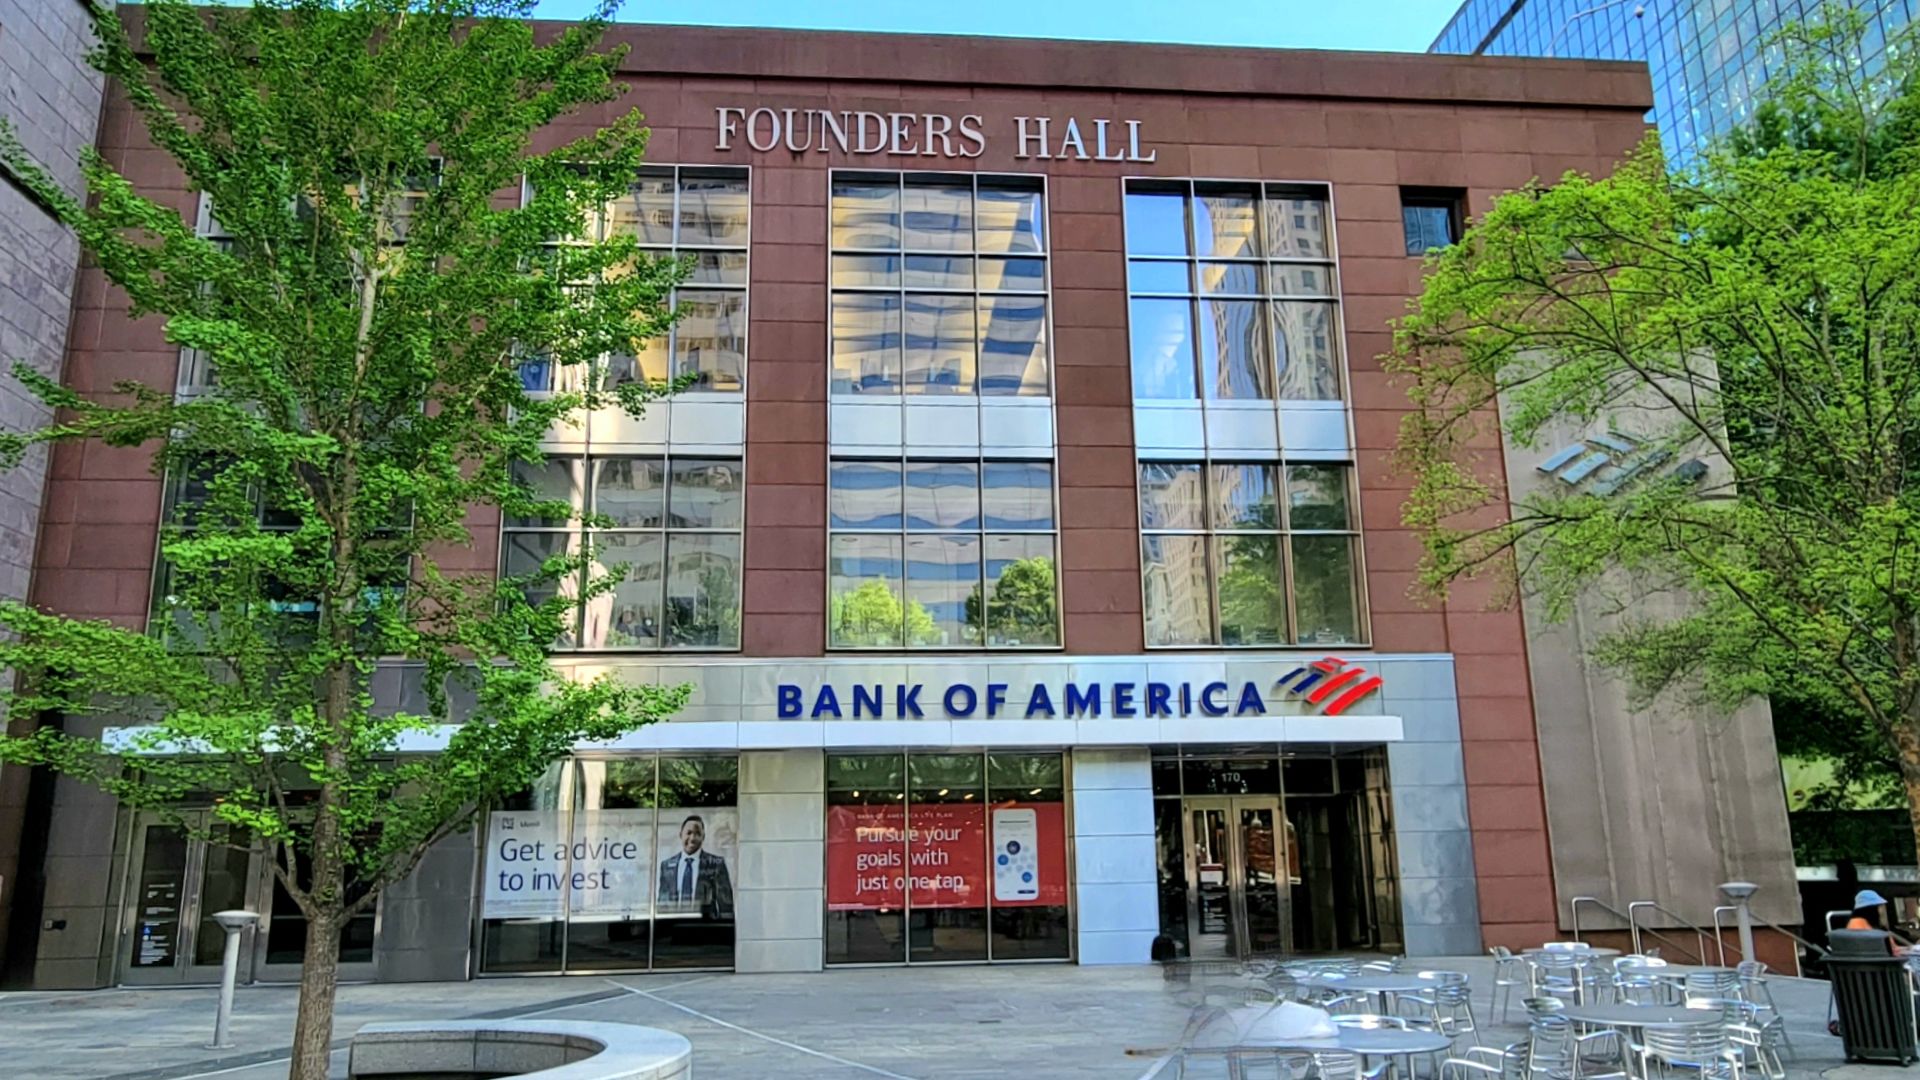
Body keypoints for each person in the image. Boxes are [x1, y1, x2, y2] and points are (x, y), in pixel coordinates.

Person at [657, 814, 733, 920]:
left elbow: (726, 905)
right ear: (680, 835)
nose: (692, 838)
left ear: (703, 837)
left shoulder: (716, 864)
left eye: (697, 834)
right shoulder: (666, 865)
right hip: (674, 927)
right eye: (688, 833)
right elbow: (662, 903)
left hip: (703, 927)